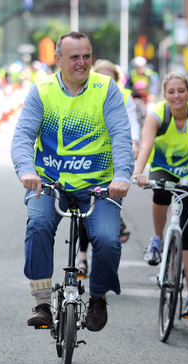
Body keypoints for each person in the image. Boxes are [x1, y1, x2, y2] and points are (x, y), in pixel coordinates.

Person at [11, 31, 134, 332]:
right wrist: (27, 170)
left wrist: (121, 176)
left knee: (107, 240)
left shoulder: (106, 89)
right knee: (38, 225)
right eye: (74, 57)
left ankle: (97, 297)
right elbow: (23, 137)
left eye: (87, 56)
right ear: (58, 60)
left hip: (99, 186)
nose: (82, 63)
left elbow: (120, 136)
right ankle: (41, 302)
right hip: (50, 183)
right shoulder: (42, 92)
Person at [133, 72, 188, 318]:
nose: (176, 96)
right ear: (164, 95)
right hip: (165, 167)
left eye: (181, 91)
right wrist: (138, 172)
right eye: (171, 92)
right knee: (160, 192)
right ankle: (157, 238)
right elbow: (146, 146)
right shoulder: (157, 115)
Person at [75, 59, 140, 277]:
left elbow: (133, 123)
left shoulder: (123, 96)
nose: (104, 82)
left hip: (115, 158)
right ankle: (82, 256)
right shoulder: (85, 92)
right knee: (84, 209)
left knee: (105, 204)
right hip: (90, 158)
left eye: (109, 78)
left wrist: (135, 143)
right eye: (100, 76)